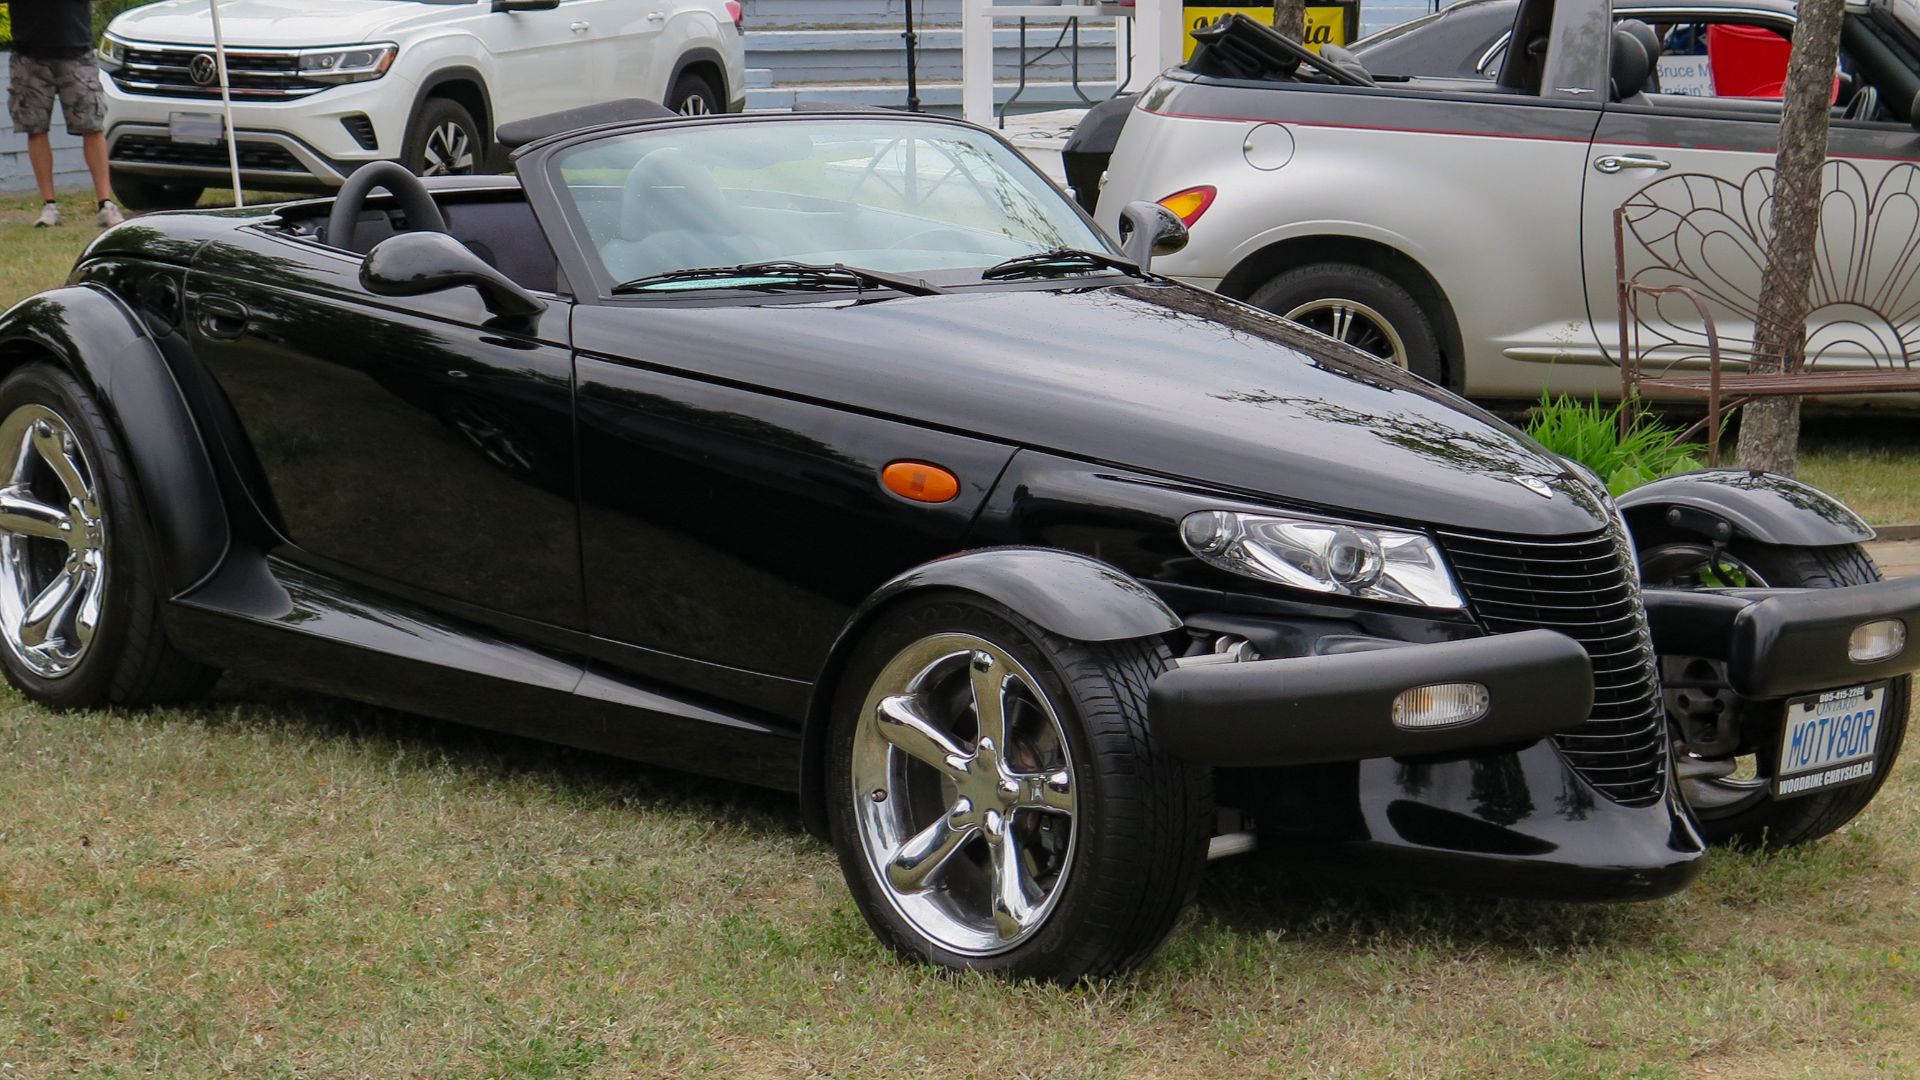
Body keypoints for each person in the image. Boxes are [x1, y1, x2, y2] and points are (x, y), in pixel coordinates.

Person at [6, 0, 124, 227]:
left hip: (77, 50)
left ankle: (105, 204)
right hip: (28, 54)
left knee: (92, 126)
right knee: (35, 128)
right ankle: (49, 206)